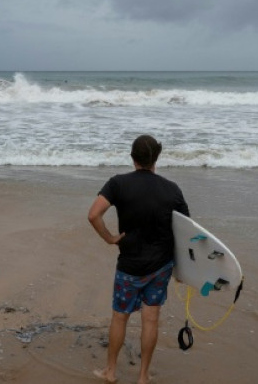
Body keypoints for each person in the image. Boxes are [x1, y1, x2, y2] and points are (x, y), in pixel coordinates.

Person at [87, 135, 190, 384]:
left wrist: (110, 238)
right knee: (151, 319)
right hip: (160, 266)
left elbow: (93, 215)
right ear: (156, 158)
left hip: (129, 266)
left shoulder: (118, 184)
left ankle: (110, 372)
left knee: (120, 317)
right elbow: (187, 231)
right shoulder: (172, 189)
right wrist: (183, 270)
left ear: (132, 158)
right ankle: (143, 376)